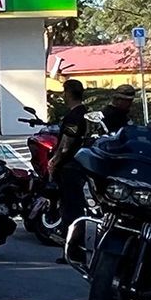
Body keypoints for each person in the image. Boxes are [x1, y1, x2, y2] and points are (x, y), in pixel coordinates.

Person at [49, 78, 91, 240]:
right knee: (73, 206)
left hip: (70, 167)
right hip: (78, 165)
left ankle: (74, 246)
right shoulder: (85, 112)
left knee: (71, 208)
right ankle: (72, 244)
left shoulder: (75, 116)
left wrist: (54, 161)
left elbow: (66, 145)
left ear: (68, 93)